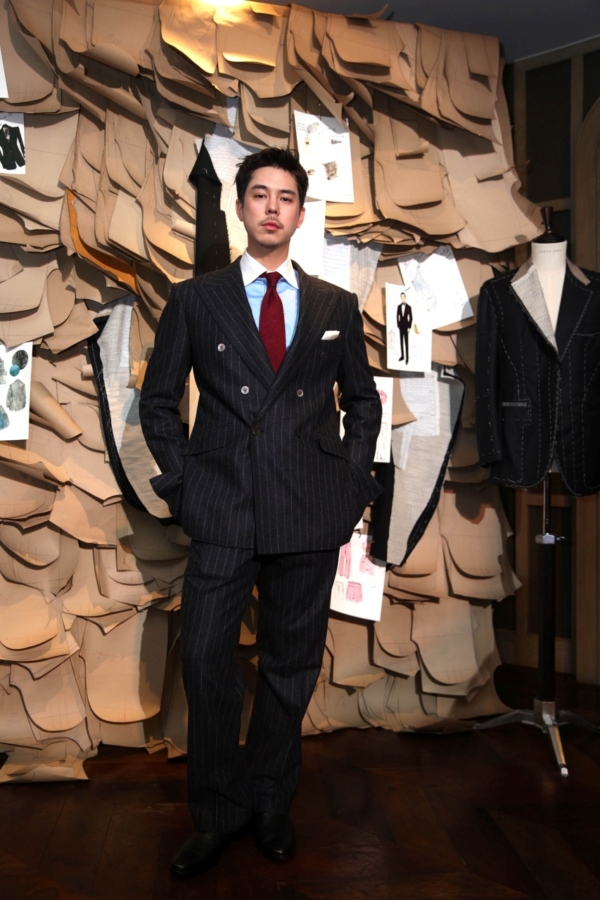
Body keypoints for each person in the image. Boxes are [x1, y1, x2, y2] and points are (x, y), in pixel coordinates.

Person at [139, 147, 382, 879]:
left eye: (286, 197)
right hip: (222, 504)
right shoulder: (196, 298)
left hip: (309, 508)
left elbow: (362, 402)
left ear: (301, 214)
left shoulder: (336, 305)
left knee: (290, 662)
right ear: (241, 206)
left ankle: (272, 802)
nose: (272, 207)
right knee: (206, 656)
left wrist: (351, 481)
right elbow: (158, 402)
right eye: (259, 194)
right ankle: (218, 811)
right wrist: (183, 487)